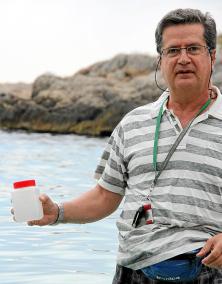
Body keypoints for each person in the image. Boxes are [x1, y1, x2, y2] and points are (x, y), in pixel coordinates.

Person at [14, 8, 222, 283]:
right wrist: (57, 213)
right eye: (173, 51)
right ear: (160, 61)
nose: (183, 58)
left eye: (193, 48)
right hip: (131, 272)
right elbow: (104, 197)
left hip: (206, 272)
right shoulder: (132, 123)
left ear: (212, 56)